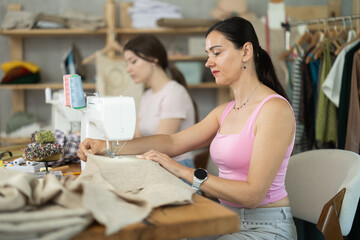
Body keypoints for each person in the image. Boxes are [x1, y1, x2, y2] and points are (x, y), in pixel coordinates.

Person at [78, 17, 297, 240]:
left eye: (217, 53)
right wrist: (107, 146)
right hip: (225, 218)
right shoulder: (226, 111)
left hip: (265, 227)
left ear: (246, 52)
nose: (208, 62)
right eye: (208, 54)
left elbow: (252, 195)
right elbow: (173, 142)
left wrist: (182, 171)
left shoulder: (274, 110)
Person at [123, 34, 198, 168]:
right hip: (155, 165)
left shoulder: (174, 92)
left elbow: (162, 146)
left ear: (152, 60)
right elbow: (136, 138)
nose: (128, 69)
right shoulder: (147, 95)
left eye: (133, 61)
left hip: (177, 168)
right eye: (127, 63)